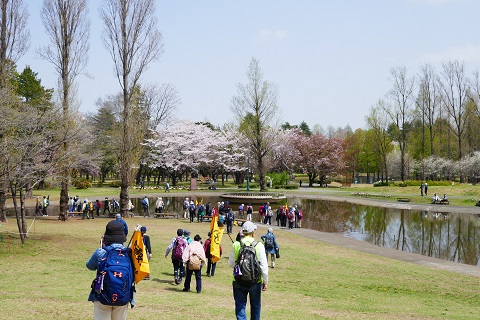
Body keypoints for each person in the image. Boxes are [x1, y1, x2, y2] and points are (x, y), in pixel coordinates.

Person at [86, 220, 134, 319]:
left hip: (102, 295)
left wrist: (101, 247)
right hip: (123, 296)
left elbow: (89, 266)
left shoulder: (101, 252)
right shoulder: (129, 253)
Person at [228, 221, 268, 320]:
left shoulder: (237, 244)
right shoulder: (259, 245)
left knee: (240, 306)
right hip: (255, 281)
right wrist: (265, 281)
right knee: (255, 306)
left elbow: (231, 263)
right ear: (252, 231)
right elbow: (264, 266)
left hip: (238, 280)